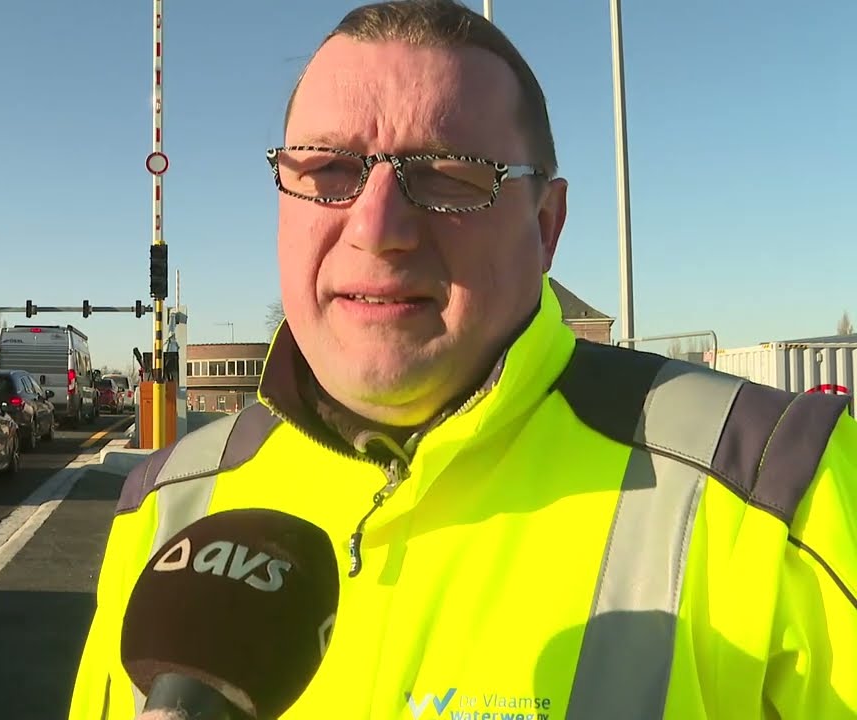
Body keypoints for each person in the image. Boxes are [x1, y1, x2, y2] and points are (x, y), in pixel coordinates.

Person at [69, 1, 857, 718]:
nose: (376, 229)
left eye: (448, 176)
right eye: (328, 169)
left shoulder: (779, 489)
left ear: (546, 227)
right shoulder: (167, 504)